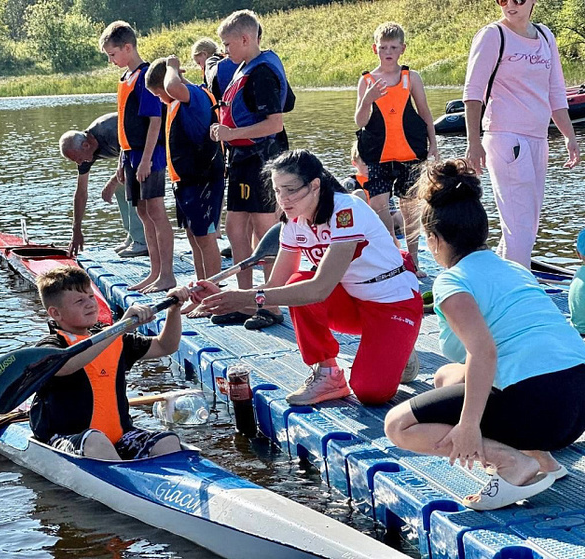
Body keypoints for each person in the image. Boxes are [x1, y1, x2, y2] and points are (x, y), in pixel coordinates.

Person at [384, 159, 585, 511]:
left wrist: (468, 427)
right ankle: (543, 460)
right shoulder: (512, 267)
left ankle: (512, 463)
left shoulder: (451, 281)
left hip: (541, 407)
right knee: (445, 376)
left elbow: (484, 354)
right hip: (582, 397)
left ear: (435, 240)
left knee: (398, 426)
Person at [192, 149, 423, 406]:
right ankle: (329, 375)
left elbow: (319, 290)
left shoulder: (345, 212)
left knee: (370, 393)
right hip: (353, 304)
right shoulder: (293, 222)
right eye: (277, 190)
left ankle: (400, 344)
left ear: (315, 185)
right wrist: (219, 296)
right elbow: (274, 289)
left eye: (290, 190)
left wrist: (247, 297)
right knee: (297, 283)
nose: (283, 199)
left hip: (394, 303)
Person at [29, 266, 190, 460]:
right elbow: (68, 365)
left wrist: (174, 309)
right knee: (96, 441)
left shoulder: (113, 337)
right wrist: (119, 328)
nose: (90, 304)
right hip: (67, 439)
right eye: (79, 301)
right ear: (56, 313)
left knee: (168, 441)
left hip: (120, 437)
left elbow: (166, 346)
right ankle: (126, 483)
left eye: (91, 297)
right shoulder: (51, 346)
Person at [463, 0, 579, 269]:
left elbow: (556, 92)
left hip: (538, 138)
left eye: (517, 0)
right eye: (503, 0)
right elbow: (473, 93)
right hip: (505, 138)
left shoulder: (546, 36)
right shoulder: (493, 35)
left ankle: (502, 280)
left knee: (527, 225)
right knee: (520, 227)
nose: (510, 5)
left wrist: (569, 136)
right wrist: (473, 142)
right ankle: (520, 296)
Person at [210, 9, 295, 330]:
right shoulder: (242, 67)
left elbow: (275, 122)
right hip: (242, 160)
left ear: (246, 39)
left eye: (228, 44)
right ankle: (246, 300)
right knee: (235, 229)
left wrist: (230, 133)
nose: (225, 50)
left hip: (262, 159)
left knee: (265, 231)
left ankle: (270, 305)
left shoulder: (261, 73)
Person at [355, 22, 438, 278]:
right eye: (382, 48)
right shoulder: (367, 81)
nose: (388, 52)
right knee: (380, 207)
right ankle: (394, 255)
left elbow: (424, 112)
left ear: (402, 49)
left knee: (410, 210)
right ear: (375, 49)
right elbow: (359, 121)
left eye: (393, 47)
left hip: (409, 152)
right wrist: (368, 99)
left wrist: (433, 144)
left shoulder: (410, 77)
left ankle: (413, 261)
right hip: (378, 154)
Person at [100, 21, 176, 293]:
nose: (111, 60)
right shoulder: (125, 79)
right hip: (130, 155)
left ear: (127, 47)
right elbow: (124, 123)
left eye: (112, 54)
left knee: (155, 210)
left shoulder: (145, 77)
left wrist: (145, 160)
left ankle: (167, 274)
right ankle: (155, 273)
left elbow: (155, 120)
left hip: (150, 155)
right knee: (143, 212)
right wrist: (123, 159)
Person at [145, 56, 225, 318]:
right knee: (193, 236)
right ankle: (201, 293)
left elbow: (172, 87)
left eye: (158, 93)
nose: (160, 99)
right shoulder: (178, 101)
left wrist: (171, 65)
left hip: (202, 179)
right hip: (186, 182)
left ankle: (214, 297)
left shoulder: (191, 95)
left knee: (205, 237)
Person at [59, 113, 147, 257]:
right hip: (132, 156)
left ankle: (142, 241)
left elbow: (132, 155)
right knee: (120, 184)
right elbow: (81, 193)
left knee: (128, 180)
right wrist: (76, 230)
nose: (80, 163)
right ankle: (133, 236)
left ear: (86, 145)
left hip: (149, 144)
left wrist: (112, 182)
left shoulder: (108, 131)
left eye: (78, 159)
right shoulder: (85, 152)